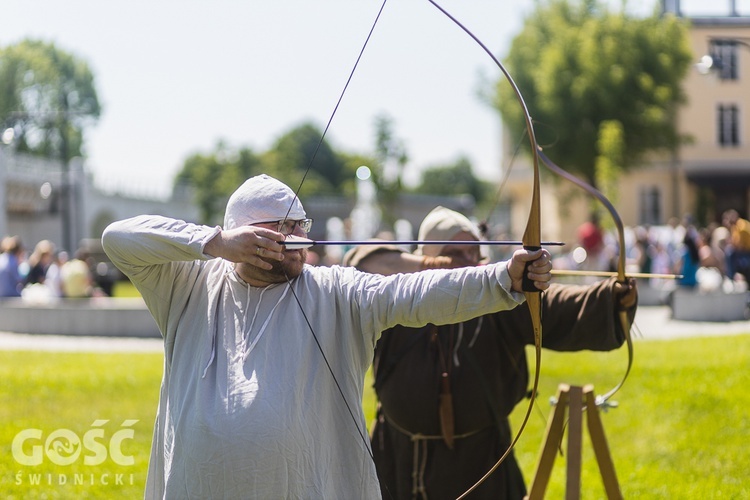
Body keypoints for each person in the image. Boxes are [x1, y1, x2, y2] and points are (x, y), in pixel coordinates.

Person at [101, 174, 553, 499]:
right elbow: (117, 237)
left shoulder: (334, 291)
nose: (299, 238)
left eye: (302, 226)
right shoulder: (188, 287)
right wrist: (215, 242)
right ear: (243, 234)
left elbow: (413, 293)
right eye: (283, 228)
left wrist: (504, 279)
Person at [343, 206, 638, 500]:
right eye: (457, 252)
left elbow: (555, 305)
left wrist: (611, 298)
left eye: (474, 253)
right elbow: (358, 261)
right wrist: (433, 268)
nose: (470, 262)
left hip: (484, 462)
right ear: (427, 257)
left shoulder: (498, 298)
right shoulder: (395, 297)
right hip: (400, 458)